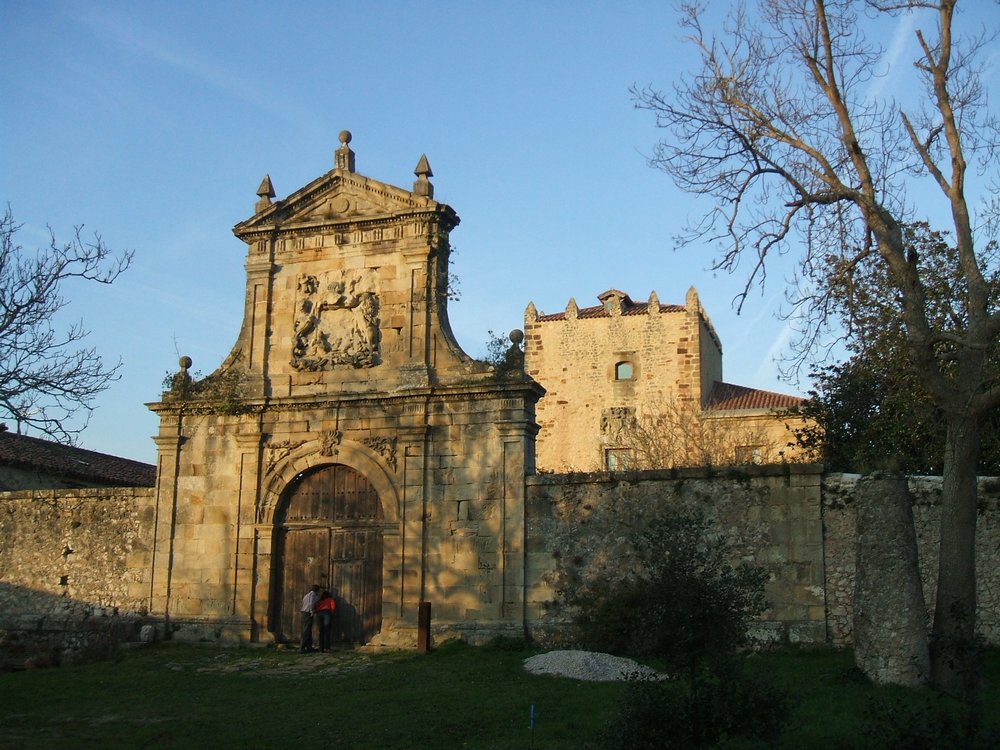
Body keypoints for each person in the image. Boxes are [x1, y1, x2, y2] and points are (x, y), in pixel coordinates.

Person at [300, 584, 320, 652]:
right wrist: (312, 611)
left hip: (304, 611)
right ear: (317, 590)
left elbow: (303, 602)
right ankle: (302, 647)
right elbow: (311, 603)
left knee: (308, 630)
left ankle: (309, 647)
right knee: (306, 630)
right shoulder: (313, 595)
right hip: (308, 612)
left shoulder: (307, 595)